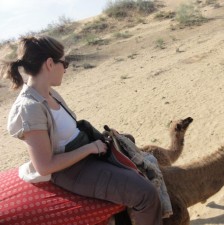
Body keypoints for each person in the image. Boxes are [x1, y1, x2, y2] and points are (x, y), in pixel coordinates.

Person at [1, 36, 162, 225]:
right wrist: (90, 148)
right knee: (146, 194)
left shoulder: (49, 93)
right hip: (70, 170)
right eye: (65, 63)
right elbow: (44, 166)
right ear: (50, 64)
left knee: (129, 141)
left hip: (83, 150)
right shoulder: (29, 107)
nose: (66, 69)